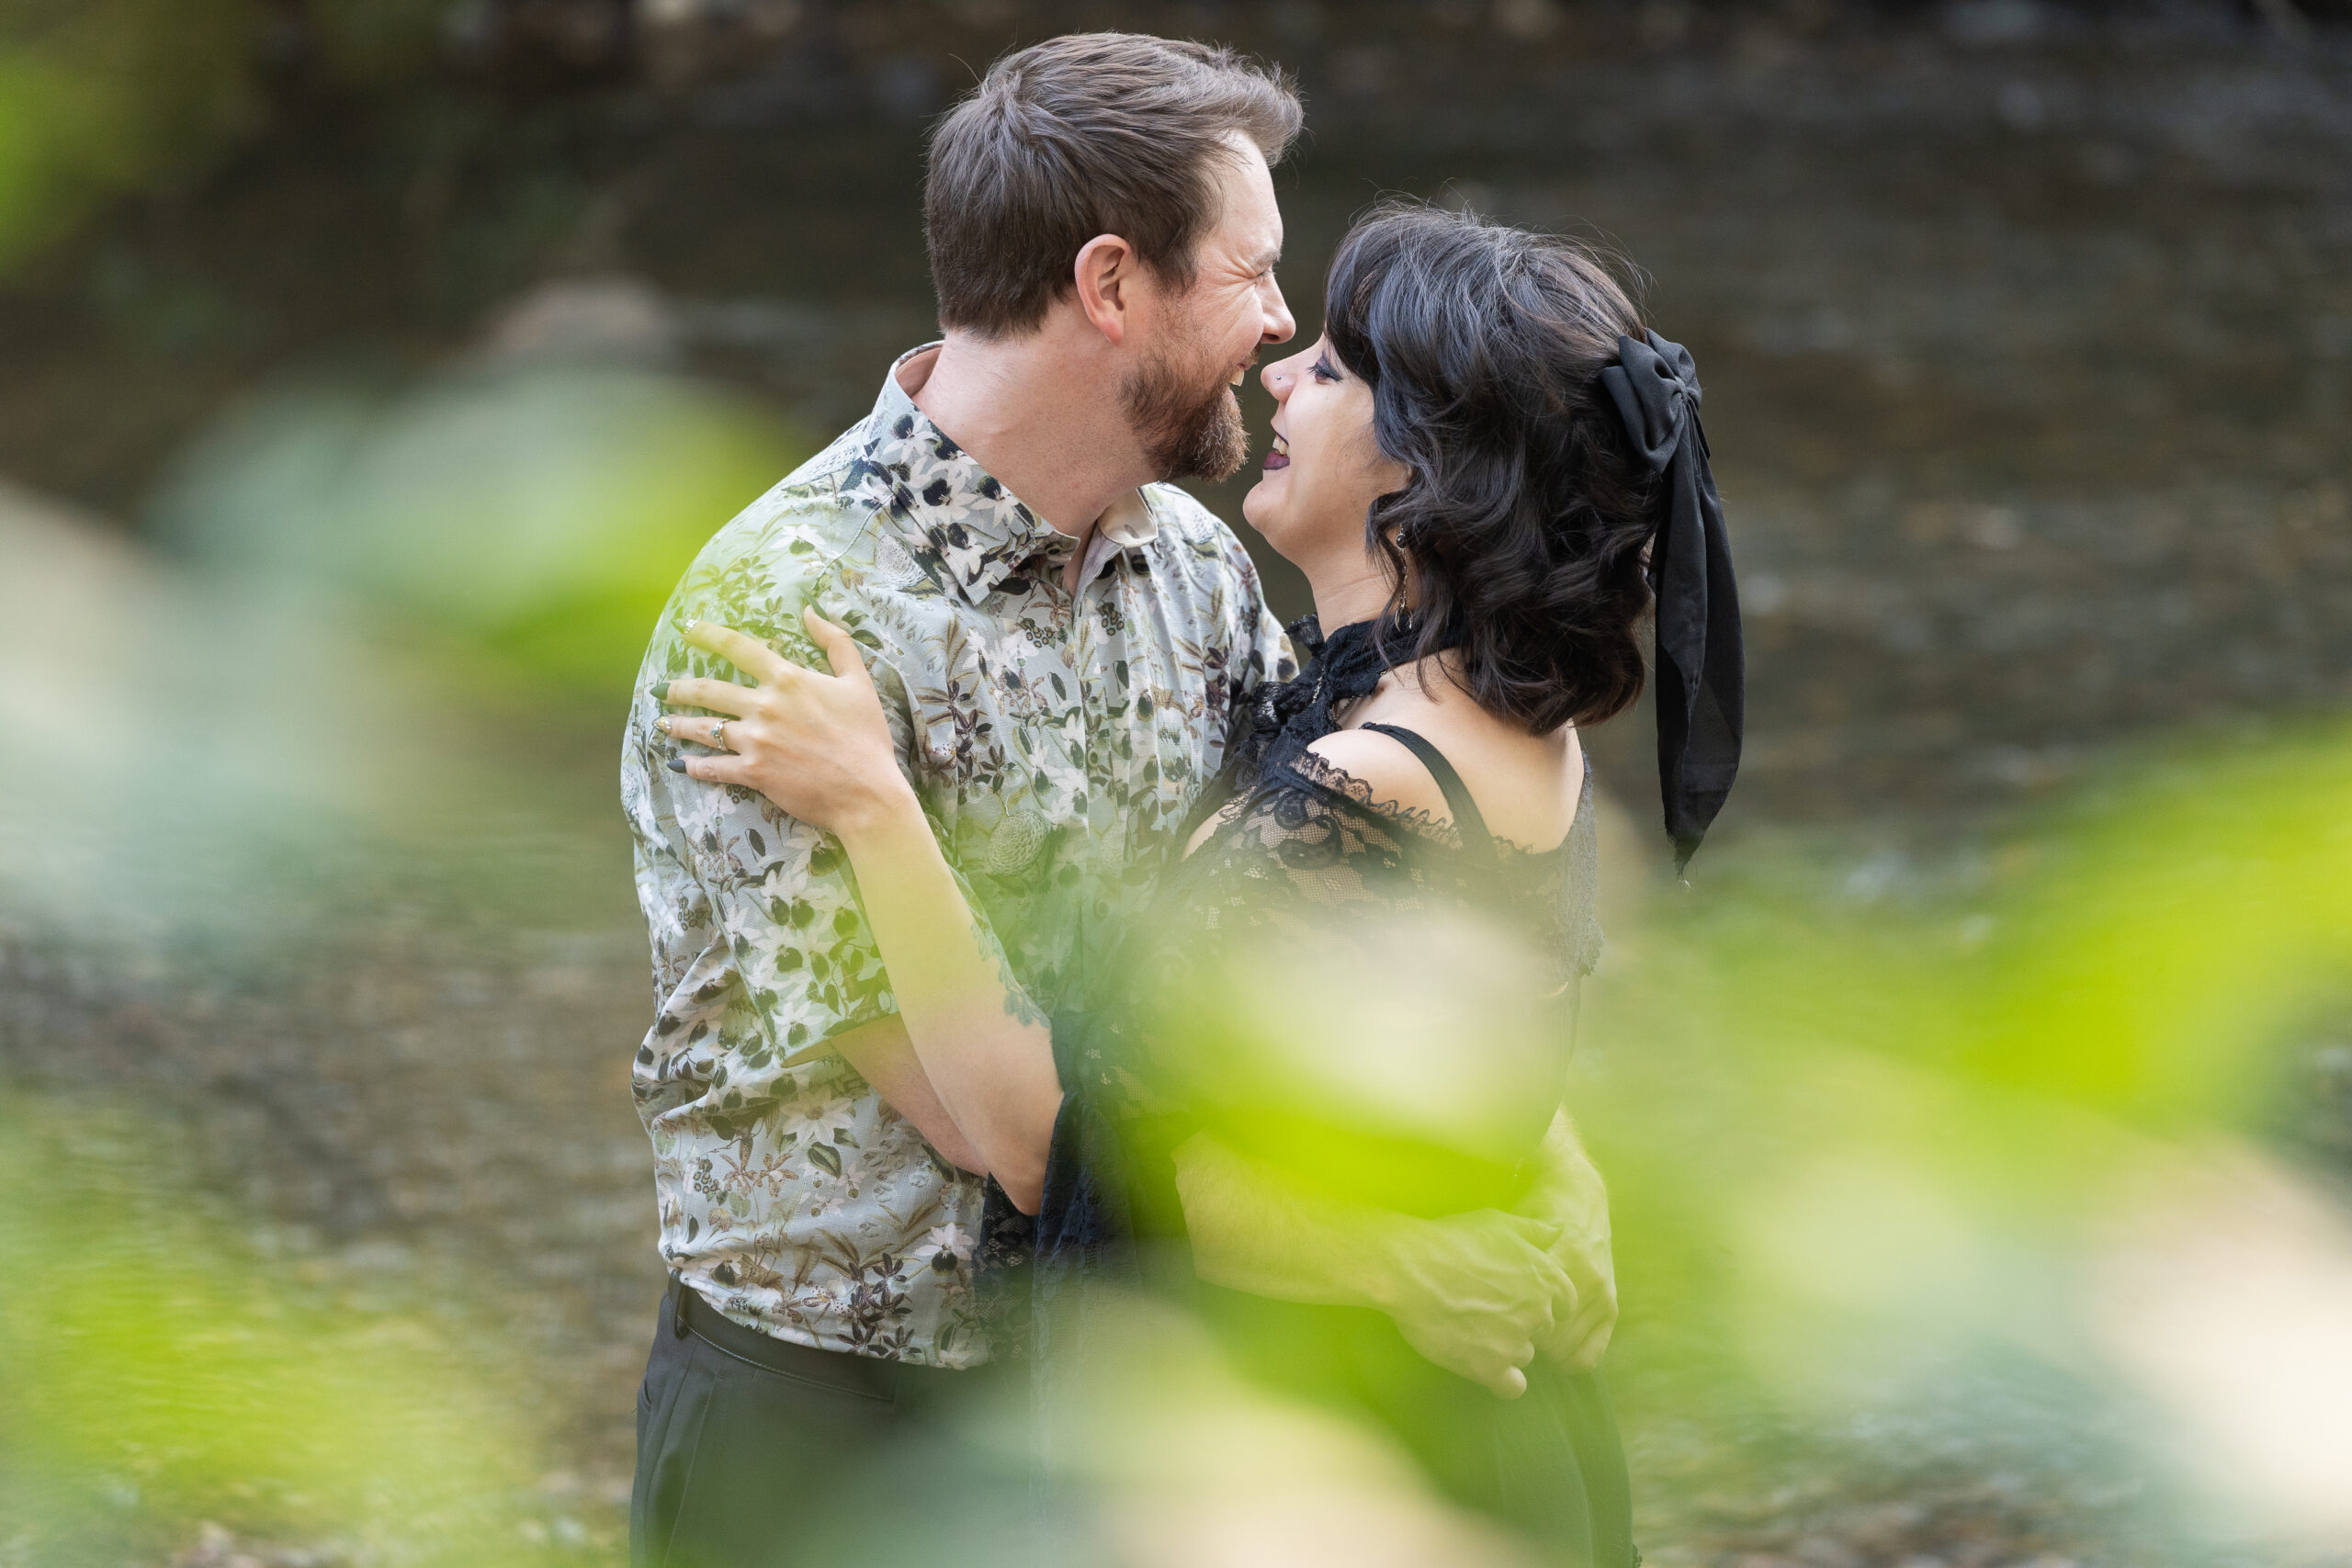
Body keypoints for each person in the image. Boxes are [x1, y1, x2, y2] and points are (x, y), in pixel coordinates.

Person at [622, 36, 1605, 1568]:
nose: (1284, 328)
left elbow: (1319, 946)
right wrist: (1404, 1252)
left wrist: (1543, 1161)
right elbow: (1010, 1136)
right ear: (1108, 284)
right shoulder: (778, 618)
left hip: (1119, 1398)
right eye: (1255, 274)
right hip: (836, 1430)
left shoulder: (1200, 568)